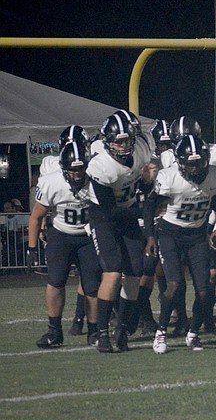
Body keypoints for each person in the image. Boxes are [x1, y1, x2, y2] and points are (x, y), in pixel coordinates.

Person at [144, 135, 216, 353]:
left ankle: (193, 333)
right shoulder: (169, 177)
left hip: (197, 234)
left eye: (199, 162)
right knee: (174, 284)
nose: (195, 168)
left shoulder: (214, 177)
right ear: (180, 162)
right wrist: (151, 236)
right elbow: (149, 205)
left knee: (204, 290)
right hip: (170, 233)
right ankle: (161, 332)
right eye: (190, 163)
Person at [86, 112, 156, 352]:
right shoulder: (101, 166)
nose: (125, 145)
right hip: (104, 217)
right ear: (108, 142)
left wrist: (147, 182)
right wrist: (142, 214)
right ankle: (102, 331)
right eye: (119, 141)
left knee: (136, 271)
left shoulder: (142, 150)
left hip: (127, 212)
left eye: (128, 140)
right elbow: (111, 211)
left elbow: (144, 189)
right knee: (113, 271)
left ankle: (123, 327)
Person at [28, 141, 101, 348]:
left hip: (88, 237)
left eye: (81, 169)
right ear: (63, 168)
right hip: (61, 235)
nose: (77, 174)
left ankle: (94, 331)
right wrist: (31, 248)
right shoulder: (52, 183)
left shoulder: (97, 180)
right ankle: (54, 331)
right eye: (73, 170)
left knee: (92, 286)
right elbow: (36, 216)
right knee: (56, 281)